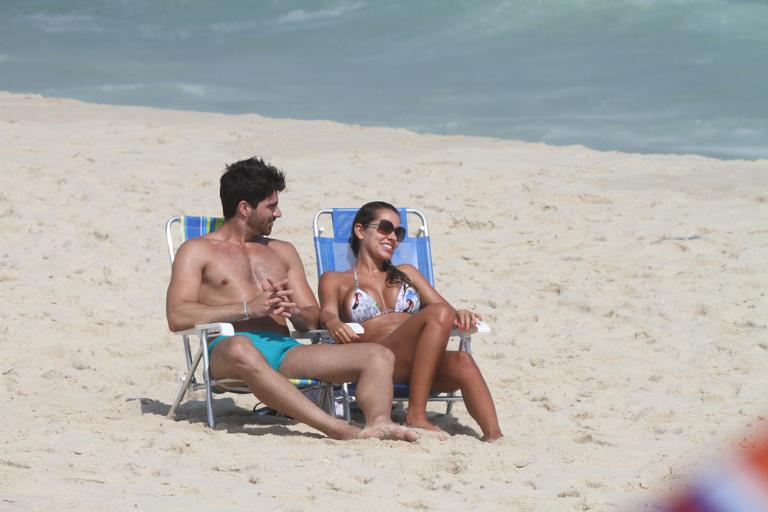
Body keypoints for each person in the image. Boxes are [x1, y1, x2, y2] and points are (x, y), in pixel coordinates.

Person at [165, 158, 416, 442]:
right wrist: (247, 308)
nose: (279, 213)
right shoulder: (197, 251)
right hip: (229, 351)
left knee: (377, 355)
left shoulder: (282, 251)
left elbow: (312, 317)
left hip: (285, 351)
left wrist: (295, 311)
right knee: (242, 348)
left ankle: (378, 422)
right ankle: (335, 428)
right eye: (271, 206)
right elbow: (177, 316)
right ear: (245, 208)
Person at [318, 201, 503, 441]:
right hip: (375, 361)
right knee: (438, 313)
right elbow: (327, 312)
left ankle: (494, 437)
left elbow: (446, 310)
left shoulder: (407, 272)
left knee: (462, 360)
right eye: (385, 228)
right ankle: (416, 413)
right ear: (360, 231)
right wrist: (332, 323)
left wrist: (462, 313)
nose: (393, 237)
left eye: (399, 232)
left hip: (417, 365)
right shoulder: (335, 279)